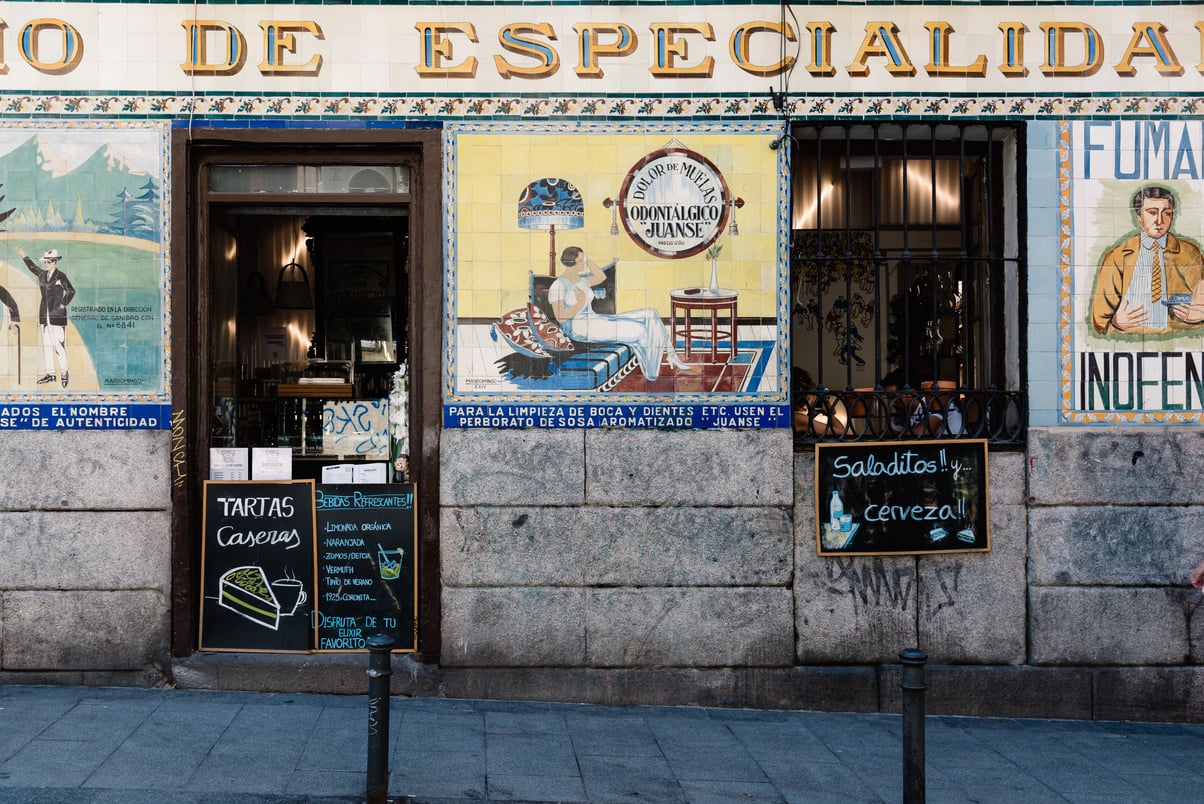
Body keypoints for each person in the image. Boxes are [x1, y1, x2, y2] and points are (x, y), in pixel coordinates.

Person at [547, 246, 695, 382]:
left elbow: (601, 277)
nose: (584, 264)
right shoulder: (559, 285)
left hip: (595, 320)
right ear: (571, 263)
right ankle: (651, 373)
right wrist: (579, 303)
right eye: (581, 261)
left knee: (651, 314)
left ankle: (671, 354)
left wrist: (588, 260)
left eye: (584, 260)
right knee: (641, 330)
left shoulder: (581, 280)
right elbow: (560, 317)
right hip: (578, 328)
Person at [1091, 185, 1204, 335]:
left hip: (1178, 338)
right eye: (1152, 213)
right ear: (1138, 217)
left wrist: (1200, 315)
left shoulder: (1190, 253)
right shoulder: (1117, 256)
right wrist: (1116, 322)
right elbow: (1099, 321)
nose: (1159, 221)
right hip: (1131, 339)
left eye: (1167, 213)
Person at [15, 246, 75, 387]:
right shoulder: (42, 275)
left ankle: (64, 373)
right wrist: (24, 255)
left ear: (54, 262)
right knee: (47, 345)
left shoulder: (61, 276)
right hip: (44, 315)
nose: (46, 264)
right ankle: (50, 374)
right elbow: (33, 268)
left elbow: (71, 290)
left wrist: (63, 303)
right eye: (45, 262)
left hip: (57, 316)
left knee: (58, 346)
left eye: (48, 262)